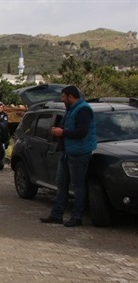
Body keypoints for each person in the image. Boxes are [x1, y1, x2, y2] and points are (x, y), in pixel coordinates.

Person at [40, 85, 96, 227]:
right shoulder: (71, 109)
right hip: (67, 151)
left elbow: (82, 131)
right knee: (61, 183)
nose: (62, 99)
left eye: (64, 97)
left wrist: (62, 133)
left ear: (71, 97)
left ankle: (77, 217)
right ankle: (56, 214)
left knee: (77, 186)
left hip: (79, 153)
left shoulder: (83, 109)